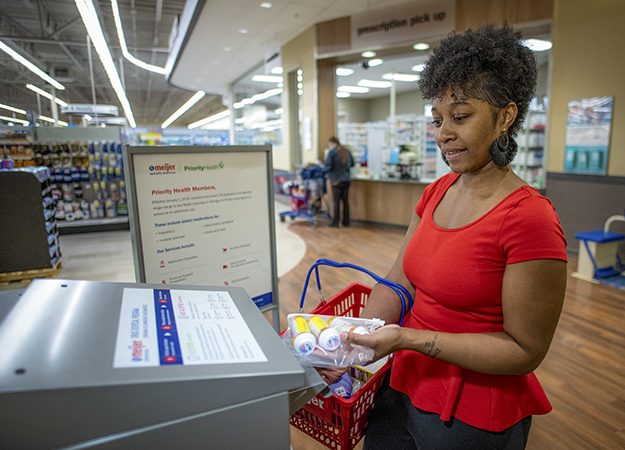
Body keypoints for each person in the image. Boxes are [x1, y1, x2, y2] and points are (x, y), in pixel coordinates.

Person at [336, 25, 568, 449]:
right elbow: (399, 280)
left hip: (473, 415)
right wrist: (352, 343)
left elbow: (524, 350)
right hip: (402, 385)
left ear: (505, 116)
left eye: (460, 117)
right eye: (438, 119)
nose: (443, 133)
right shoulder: (436, 192)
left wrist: (408, 339)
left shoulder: (530, 217)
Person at [323, 136, 354, 227]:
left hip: (336, 180)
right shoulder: (346, 151)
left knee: (336, 201)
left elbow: (328, 166)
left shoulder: (332, 153)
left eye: (329, 144)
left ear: (332, 143)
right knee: (345, 201)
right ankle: (346, 221)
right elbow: (352, 164)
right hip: (347, 180)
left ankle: (335, 222)